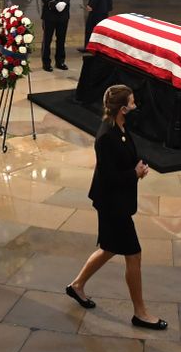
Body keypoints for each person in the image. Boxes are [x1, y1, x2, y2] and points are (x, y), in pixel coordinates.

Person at [65, 85, 168, 330]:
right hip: (113, 205)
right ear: (122, 109)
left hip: (117, 201)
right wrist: (134, 173)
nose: (135, 107)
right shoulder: (106, 137)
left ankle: (76, 286)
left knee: (109, 248)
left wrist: (137, 168)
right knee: (134, 255)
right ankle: (140, 313)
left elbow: (126, 156)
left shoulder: (120, 128)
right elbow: (110, 177)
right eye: (132, 104)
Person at [38, 0, 72, 72]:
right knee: (47, 40)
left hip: (63, 13)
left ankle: (60, 61)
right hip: (50, 14)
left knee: (61, 39)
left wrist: (65, 2)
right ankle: (46, 62)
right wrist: (54, 3)